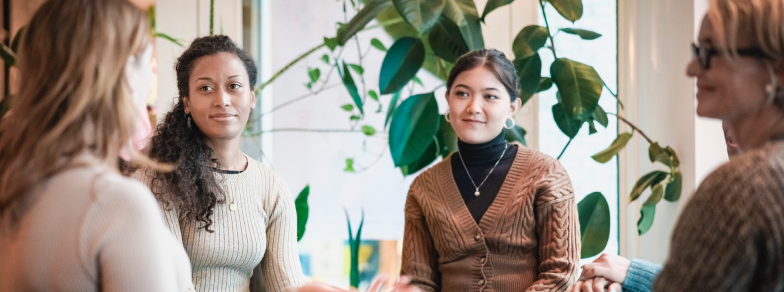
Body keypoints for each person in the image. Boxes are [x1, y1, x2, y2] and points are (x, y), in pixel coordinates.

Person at [571, 0, 784, 291]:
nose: (692, 68)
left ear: (776, 68)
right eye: (697, 51)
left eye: (710, 53)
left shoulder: (740, 188)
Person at [0, 0, 193, 291]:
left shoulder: (15, 187)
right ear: (128, 73)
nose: (151, 79)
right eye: (148, 64)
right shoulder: (115, 202)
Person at [132, 35, 306, 291]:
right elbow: (168, 284)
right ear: (186, 103)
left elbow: (288, 285)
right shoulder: (159, 178)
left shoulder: (272, 187)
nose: (222, 100)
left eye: (234, 86)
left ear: (252, 97)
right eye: (206, 88)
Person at [401, 49, 580, 292]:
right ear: (448, 99)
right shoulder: (424, 188)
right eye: (462, 93)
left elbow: (561, 274)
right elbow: (419, 281)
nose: (473, 107)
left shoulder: (546, 174)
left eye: (490, 96)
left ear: (512, 107)